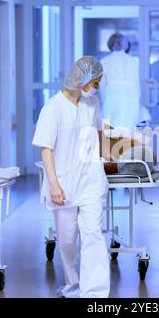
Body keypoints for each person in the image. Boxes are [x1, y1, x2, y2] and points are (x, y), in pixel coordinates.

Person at [32, 56, 110, 298]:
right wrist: (54, 183)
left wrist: (106, 159)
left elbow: (98, 133)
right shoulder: (53, 108)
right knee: (66, 240)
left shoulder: (92, 103)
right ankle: (73, 283)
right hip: (63, 183)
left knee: (93, 234)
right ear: (83, 79)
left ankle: (94, 292)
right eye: (95, 83)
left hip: (90, 181)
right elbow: (45, 148)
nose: (96, 88)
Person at [100, 33, 141, 132]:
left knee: (112, 131)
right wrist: (137, 100)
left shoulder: (105, 61)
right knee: (128, 130)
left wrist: (103, 100)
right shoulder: (133, 61)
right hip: (131, 99)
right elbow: (136, 84)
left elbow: (102, 85)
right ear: (125, 45)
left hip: (112, 98)